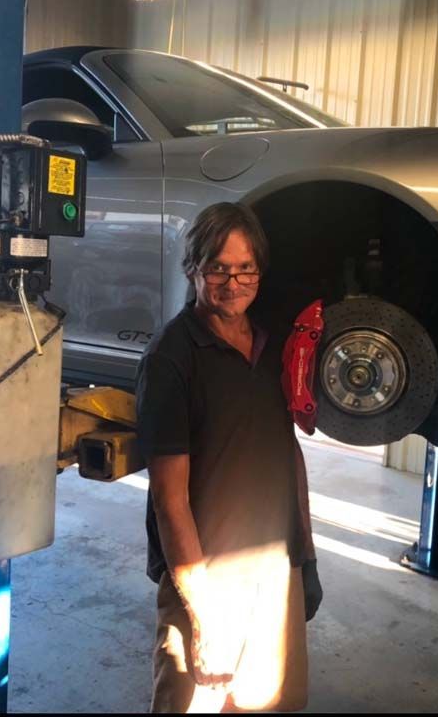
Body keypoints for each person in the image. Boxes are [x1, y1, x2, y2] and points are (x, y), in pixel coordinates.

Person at [136, 202, 322, 713]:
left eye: (246, 268)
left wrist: (302, 559)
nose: (233, 281)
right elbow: (169, 503)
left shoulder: (271, 344)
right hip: (206, 582)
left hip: (274, 572)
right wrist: (205, 620)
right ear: (193, 268)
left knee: (270, 703)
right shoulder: (171, 359)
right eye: (218, 267)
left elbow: (286, 454)